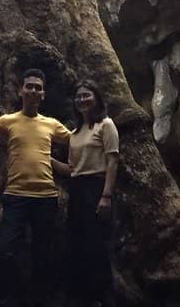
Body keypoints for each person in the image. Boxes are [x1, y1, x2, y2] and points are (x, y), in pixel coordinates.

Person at [0, 68, 71, 307]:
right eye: (29, 86)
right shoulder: (7, 121)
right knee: (5, 250)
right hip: (15, 196)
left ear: (43, 94)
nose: (33, 90)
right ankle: (6, 301)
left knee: (44, 254)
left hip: (45, 196)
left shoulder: (52, 124)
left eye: (38, 87)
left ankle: (41, 300)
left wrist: (63, 165)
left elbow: (77, 141)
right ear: (20, 90)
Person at [63, 79, 119, 307]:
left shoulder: (106, 125)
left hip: (96, 188)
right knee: (78, 244)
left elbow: (113, 160)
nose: (82, 100)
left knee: (97, 245)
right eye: (79, 96)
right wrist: (41, 158)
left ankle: (104, 297)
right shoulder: (74, 133)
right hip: (77, 190)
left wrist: (106, 195)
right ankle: (84, 298)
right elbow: (71, 168)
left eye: (87, 95)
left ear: (96, 98)